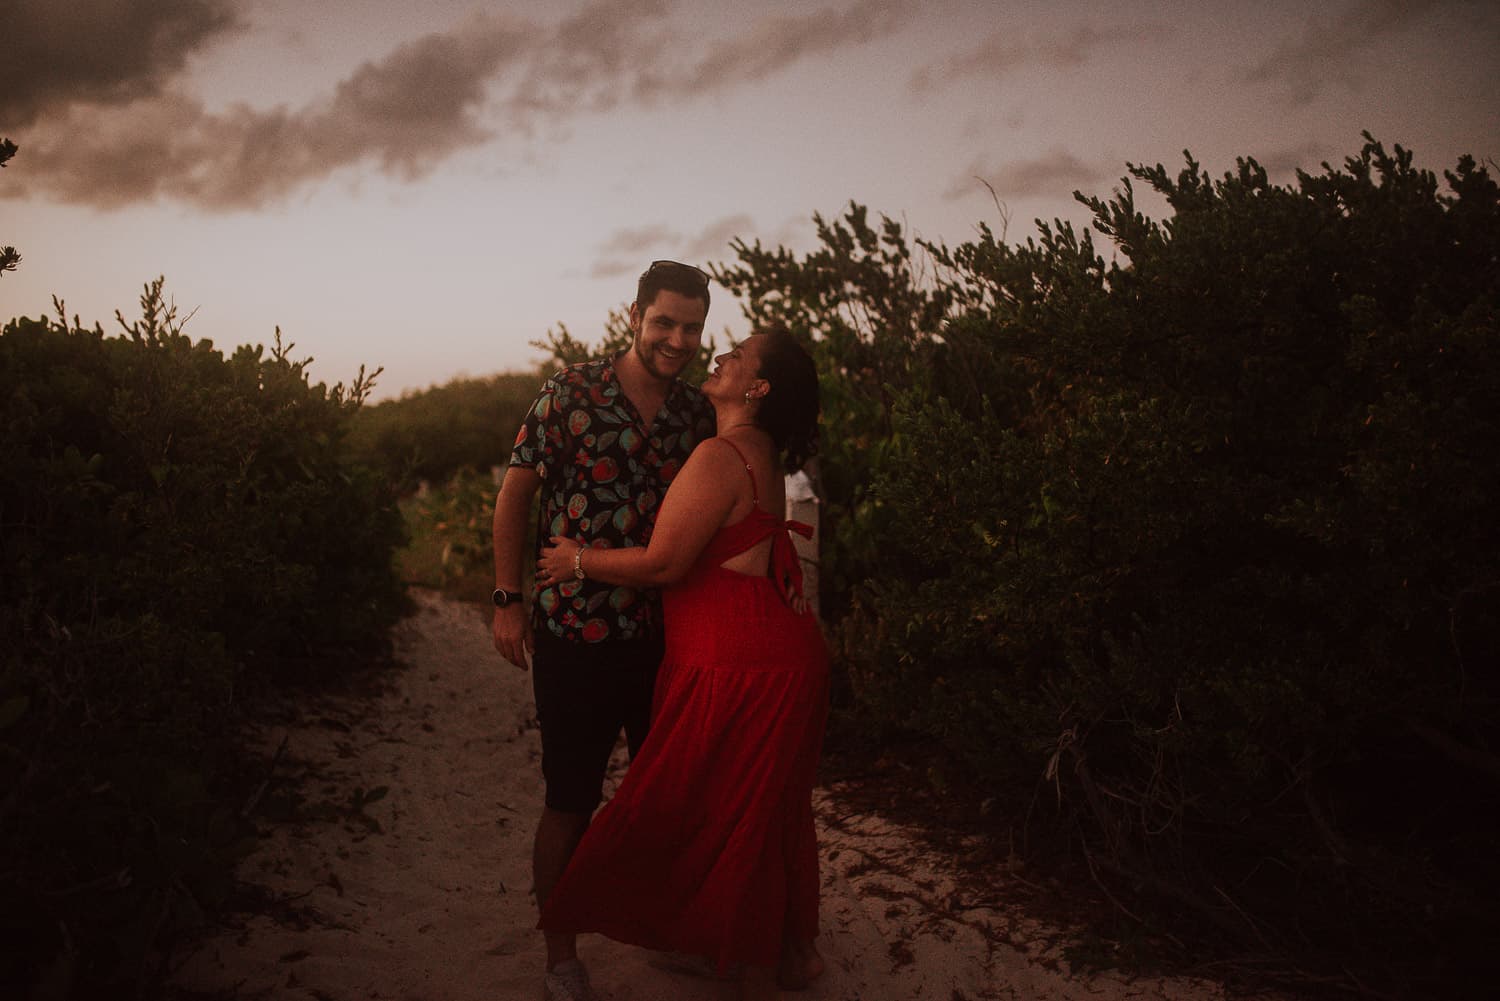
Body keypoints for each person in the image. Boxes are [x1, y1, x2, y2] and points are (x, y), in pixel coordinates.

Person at [535, 326, 829, 1001]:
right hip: (773, 650)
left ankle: (756, 967)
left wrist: (574, 559)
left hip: (739, 662)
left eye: (738, 355)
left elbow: (664, 563)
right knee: (764, 809)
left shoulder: (720, 454)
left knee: (716, 810)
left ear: (757, 388)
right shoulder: (758, 449)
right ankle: (791, 954)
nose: (720, 355)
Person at [491, 260, 716, 1001]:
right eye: (664, 322)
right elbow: (516, 493)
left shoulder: (695, 414)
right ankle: (561, 953)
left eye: (691, 326)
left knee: (665, 796)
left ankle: (667, 928)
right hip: (574, 635)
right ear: (635, 315)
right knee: (569, 799)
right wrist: (507, 597)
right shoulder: (572, 391)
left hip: (667, 638)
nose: (677, 339)